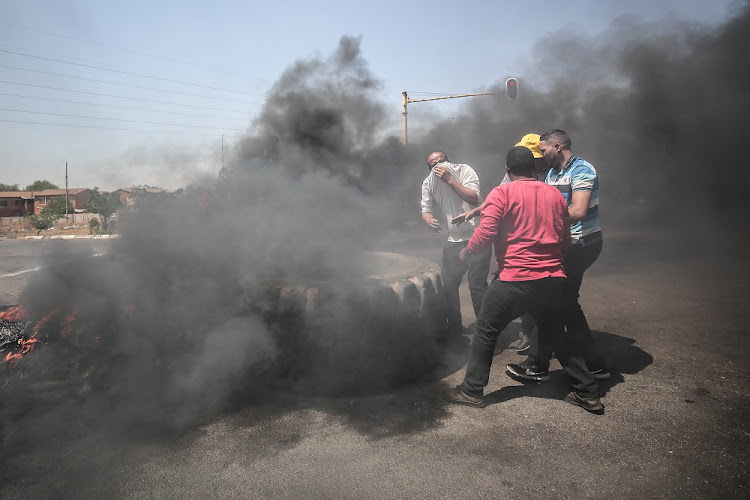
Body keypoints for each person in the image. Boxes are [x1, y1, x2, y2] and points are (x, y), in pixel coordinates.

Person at [440, 146, 603, 413]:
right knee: (555, 333)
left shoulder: (502, 193)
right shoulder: (553, 193)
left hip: (515, 278)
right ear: (534, 168)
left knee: (485, 330)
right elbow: (564, 236)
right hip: (551, 278)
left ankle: (471, 391)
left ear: (508, 170)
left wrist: (467, 252)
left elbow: (486, 233)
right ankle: (588, 392)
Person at [507, 129, 609, 382]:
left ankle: (538, 365)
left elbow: (579, 210)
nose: (541, 155)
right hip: (563, 245)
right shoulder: (552, 173)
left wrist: (541, 219)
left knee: (552, 303)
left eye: (543, 150)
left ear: (558, 146)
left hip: (581, 244)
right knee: (564, 304)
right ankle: (593, 365)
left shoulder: (582, 170)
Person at [420, 151, 491, 337]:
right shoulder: (428, 183)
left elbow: (474, 198)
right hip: (454, 239)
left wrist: (449, 179)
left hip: (477, 235)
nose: (438, 165)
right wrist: (429, 220)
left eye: (441, 161)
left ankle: (486, 333)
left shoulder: (464, 170)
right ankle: (455, 330)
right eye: (433, 164)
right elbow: (426, 209)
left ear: (448, 161)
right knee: (449, 284)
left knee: (477, 285)